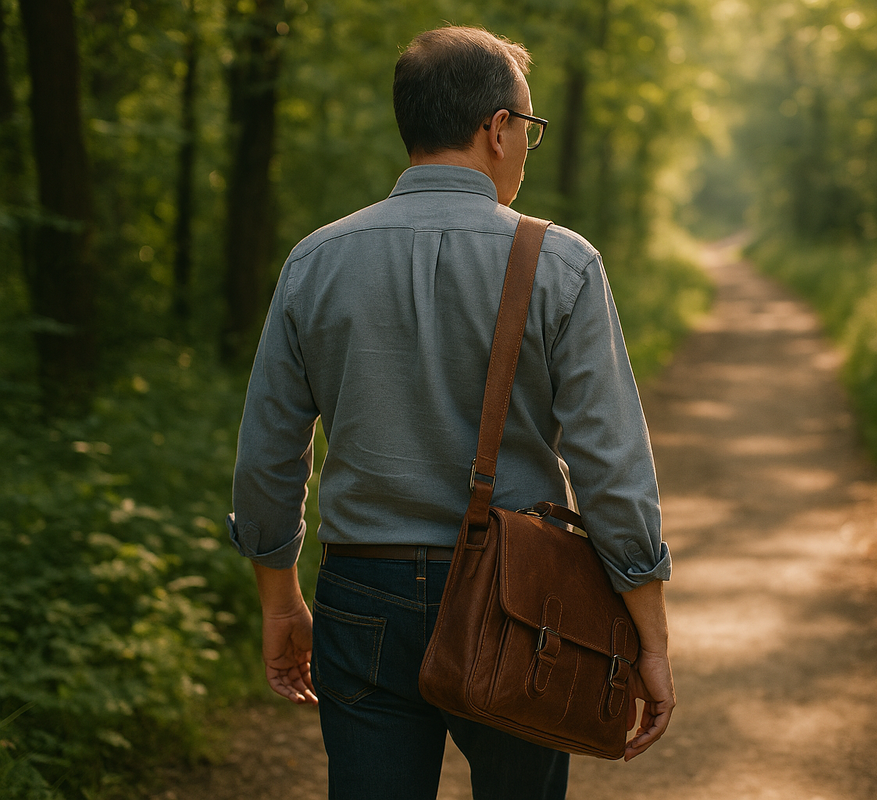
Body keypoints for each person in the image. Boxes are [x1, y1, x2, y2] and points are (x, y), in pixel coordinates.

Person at [226, 25, 675, 799]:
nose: (528, 145)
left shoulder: (316, 260)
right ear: (497, 128)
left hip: (362, 596)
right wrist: (650, 635)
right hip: (522, 601)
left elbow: (268, 457)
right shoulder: (562, 262)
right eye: (528, 127)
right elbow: (611, 467)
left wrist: (281, 603)